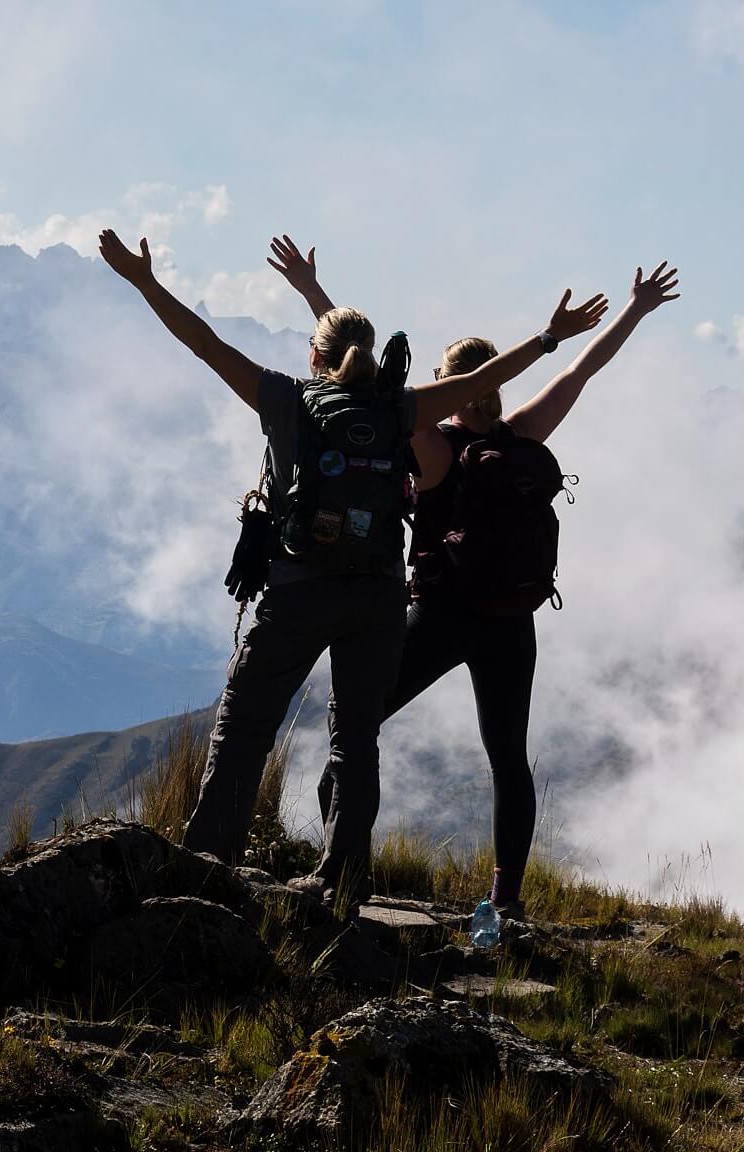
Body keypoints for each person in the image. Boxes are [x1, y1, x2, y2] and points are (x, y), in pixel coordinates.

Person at [99, 227, 608, 909]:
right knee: (356, 740)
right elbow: (482, 381)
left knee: (247, 726)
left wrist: (146, 283)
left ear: (314, 355)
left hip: (300, 593)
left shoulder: (285, 398)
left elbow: (205, 344)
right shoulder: (403, 411)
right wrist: (547, 339)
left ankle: (209, 867)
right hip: (379, 598)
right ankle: (343, 883)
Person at [268, 234, 680, 918]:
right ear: (499, 383)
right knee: (508, 759)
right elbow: (581, 372)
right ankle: (506, 903)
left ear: (454, 388)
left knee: (355, 729)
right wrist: (634, 312)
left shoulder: (431, 445)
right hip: (510, 621)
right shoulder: (523, 436)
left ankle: (341, 873)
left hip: (437, 613)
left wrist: (313, 293)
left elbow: (366, 378)